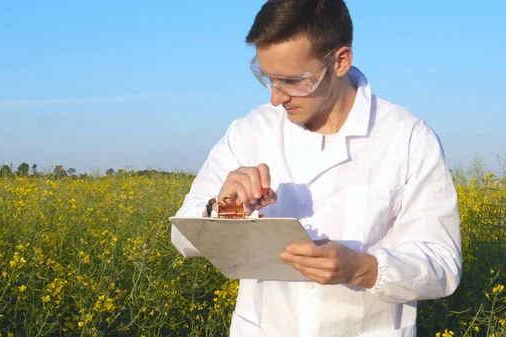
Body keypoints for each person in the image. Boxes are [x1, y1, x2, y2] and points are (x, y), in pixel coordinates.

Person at [170, 0, 462, 336]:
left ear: (340, 61)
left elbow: (442, 265)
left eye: (293, 81)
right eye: (268, 79)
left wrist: (364, 270)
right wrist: (226, 209)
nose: (276, 99)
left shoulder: (408, 138)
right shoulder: (250, 131)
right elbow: (183, 236)